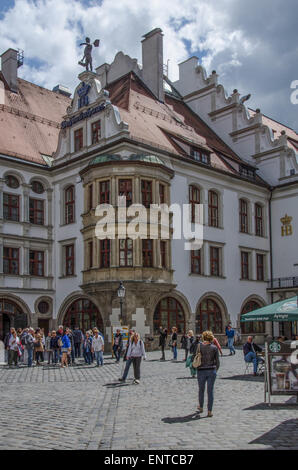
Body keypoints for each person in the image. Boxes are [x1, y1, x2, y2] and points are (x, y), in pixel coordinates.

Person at [195, 330, 220, 417]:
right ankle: (209, 411)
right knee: (210, 391)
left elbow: (196, 357)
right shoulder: (214, 348)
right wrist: (215, 370)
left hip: (201, 371)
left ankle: (201, 407)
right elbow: (218, 362)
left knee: (201, 390)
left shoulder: (199, 346)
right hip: (211, 371)